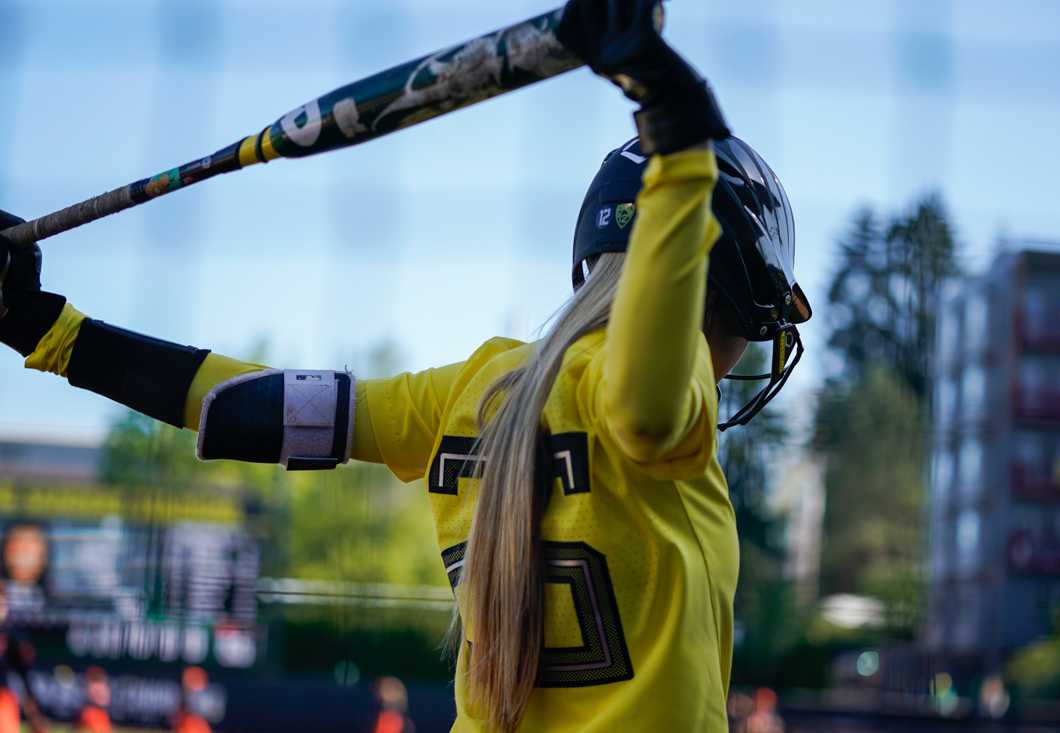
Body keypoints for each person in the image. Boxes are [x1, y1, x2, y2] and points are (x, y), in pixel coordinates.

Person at [0, 1, 811, 730]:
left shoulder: (470, 391)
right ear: (718, 288)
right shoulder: (665, 394)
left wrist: (52, 330)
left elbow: (242, 407)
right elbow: (641, 405)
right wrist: (681, 138)